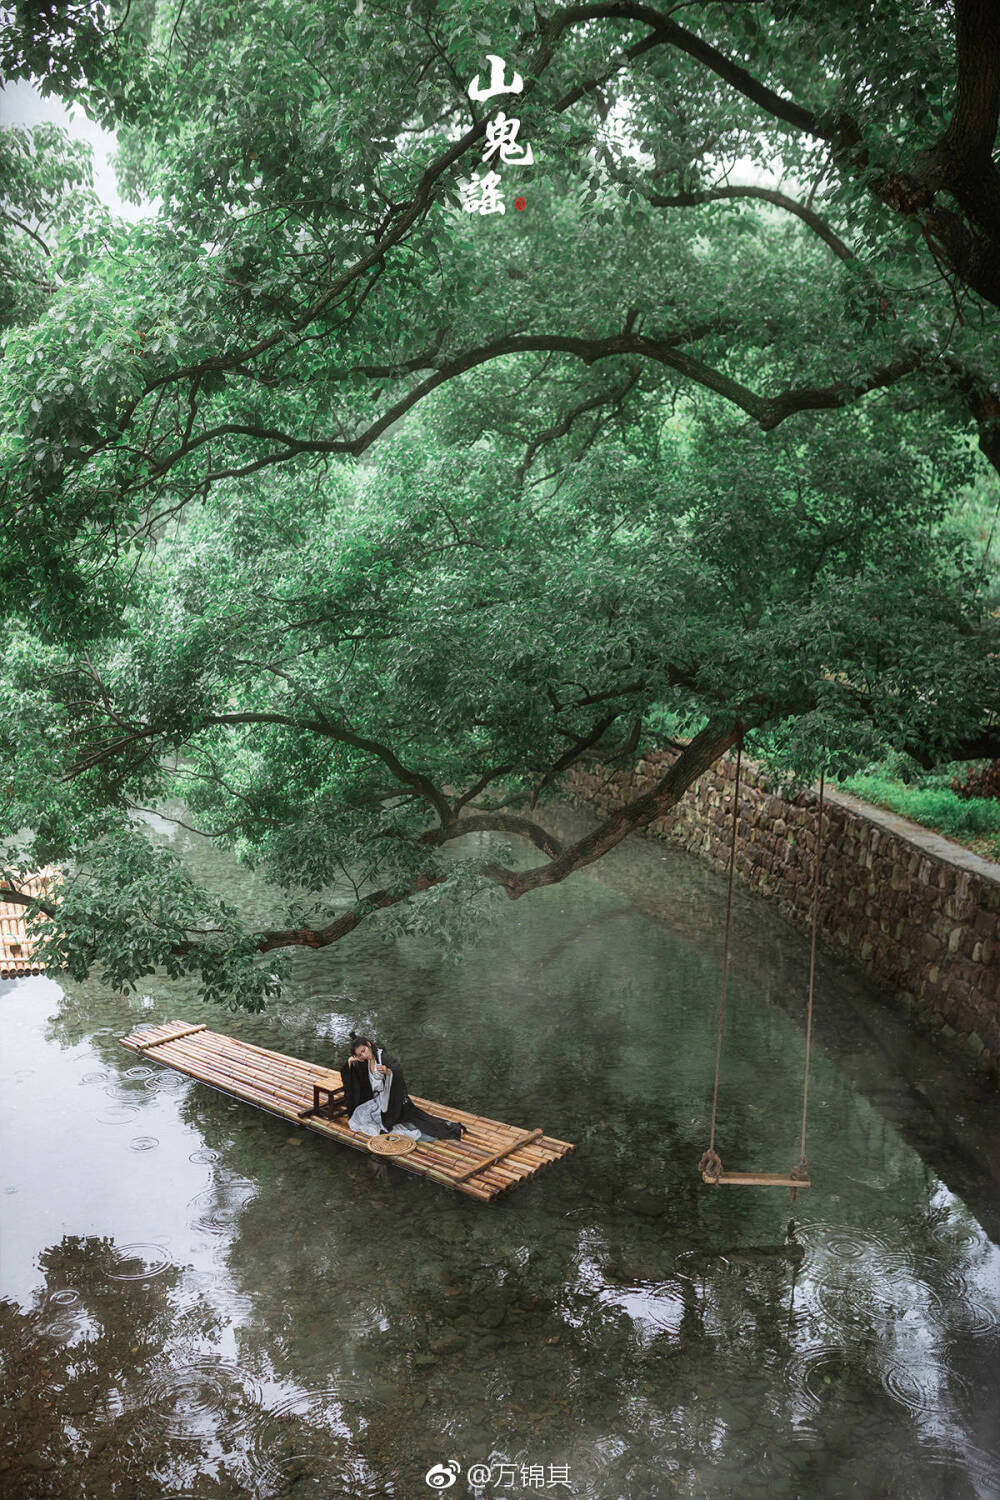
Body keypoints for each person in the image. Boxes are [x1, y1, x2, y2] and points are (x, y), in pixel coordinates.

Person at [340, 1032, 465, 1142]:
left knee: (418, 1119)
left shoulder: (382, 1057)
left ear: (368, 1044)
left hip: (392, 1100)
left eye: (364, 1050)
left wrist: (388, 1071)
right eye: (360, 1054)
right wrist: (350, 1062)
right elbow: (360, 1078)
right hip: (380, 1099)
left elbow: (397, 1069)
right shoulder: (365, 1061)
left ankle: (453, 1129)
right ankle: (452, 1129)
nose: (364, 1055)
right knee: (358, 1114)